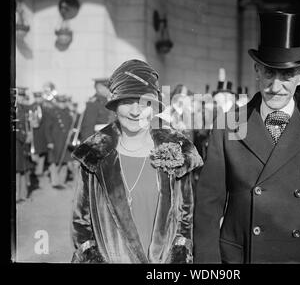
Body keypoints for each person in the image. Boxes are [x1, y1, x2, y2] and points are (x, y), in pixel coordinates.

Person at [193, 11, 300, 264]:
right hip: (243, 258)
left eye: (287, 75)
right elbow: (207, 208)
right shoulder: (228, 125)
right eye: (269, 73)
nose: (276, 86)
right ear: (257, 70)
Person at [71, 59, 203, 263]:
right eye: (126, 102)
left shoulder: (177, 149)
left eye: (144, 102)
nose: (135, 111)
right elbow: (81, 223)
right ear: (114, 105)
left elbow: (185, 218)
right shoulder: (93, 154)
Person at [45, 94, 74, 188]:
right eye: (60, 102)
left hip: (65, 140)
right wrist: (49, 141)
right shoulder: (52, 112)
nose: (62, 104)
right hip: (55, 140)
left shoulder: (68, 112)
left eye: (64, 102)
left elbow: (72, 125)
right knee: (54, 161)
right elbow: (47, 128)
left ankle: (61, 181)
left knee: (65, 160)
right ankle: (55, 181)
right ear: (57, 102)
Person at [80, 78, 115, 142]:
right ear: (99, 88)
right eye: (107, 87)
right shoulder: (94, 103)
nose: (110, 90)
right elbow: (88, 127)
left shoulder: (109, 101)